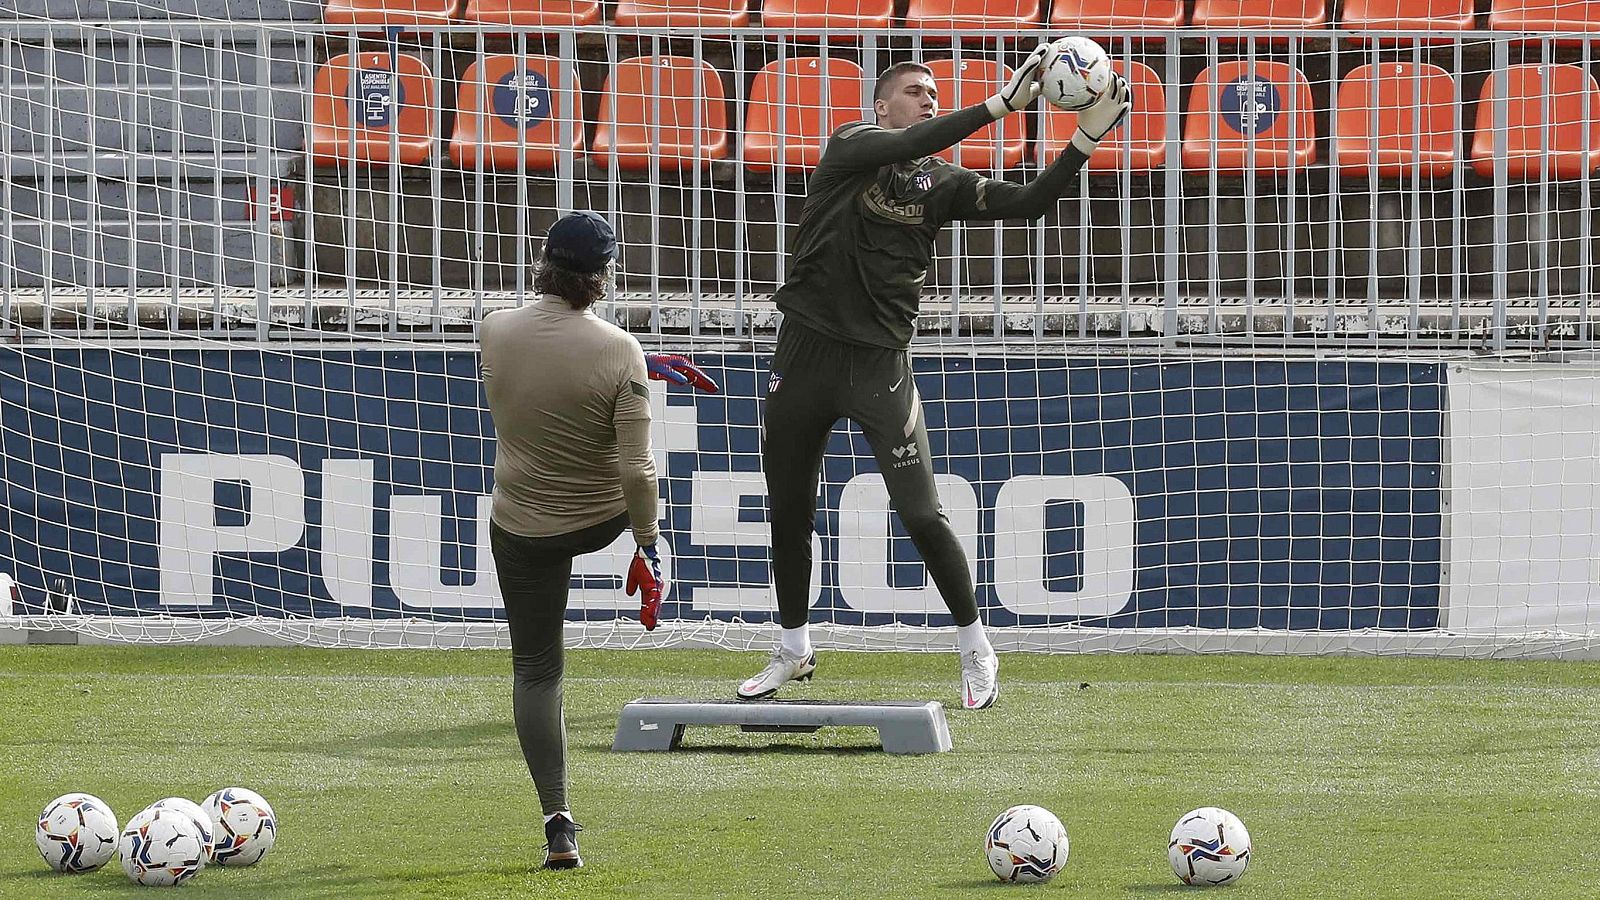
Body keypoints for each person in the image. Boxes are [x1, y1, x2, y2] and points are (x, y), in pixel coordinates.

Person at [739, 47, 1132, 710]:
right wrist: (999, 107)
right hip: (803, 356)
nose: (927, 99)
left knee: (921, 513)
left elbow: (1032, 203)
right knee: (788, 515)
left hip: (878, 366)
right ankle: (793, 648)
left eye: (932, 92)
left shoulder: (942, 184)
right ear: (881, 107)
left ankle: (977, 647)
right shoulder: (850, 146)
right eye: (915, 90)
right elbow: (919, 136)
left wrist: (1085, 139)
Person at [480, 210, 717, 870]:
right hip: (602, 518)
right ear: (604, 275)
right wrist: (650, 543)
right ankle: (643, 557)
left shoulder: (493, 329)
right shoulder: (619, 351)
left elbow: (547, 377)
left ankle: (558, 822)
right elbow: (636, 469)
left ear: (542, 262)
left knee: (536, 670)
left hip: (522, 525)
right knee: (637, 469)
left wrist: (637, 370)